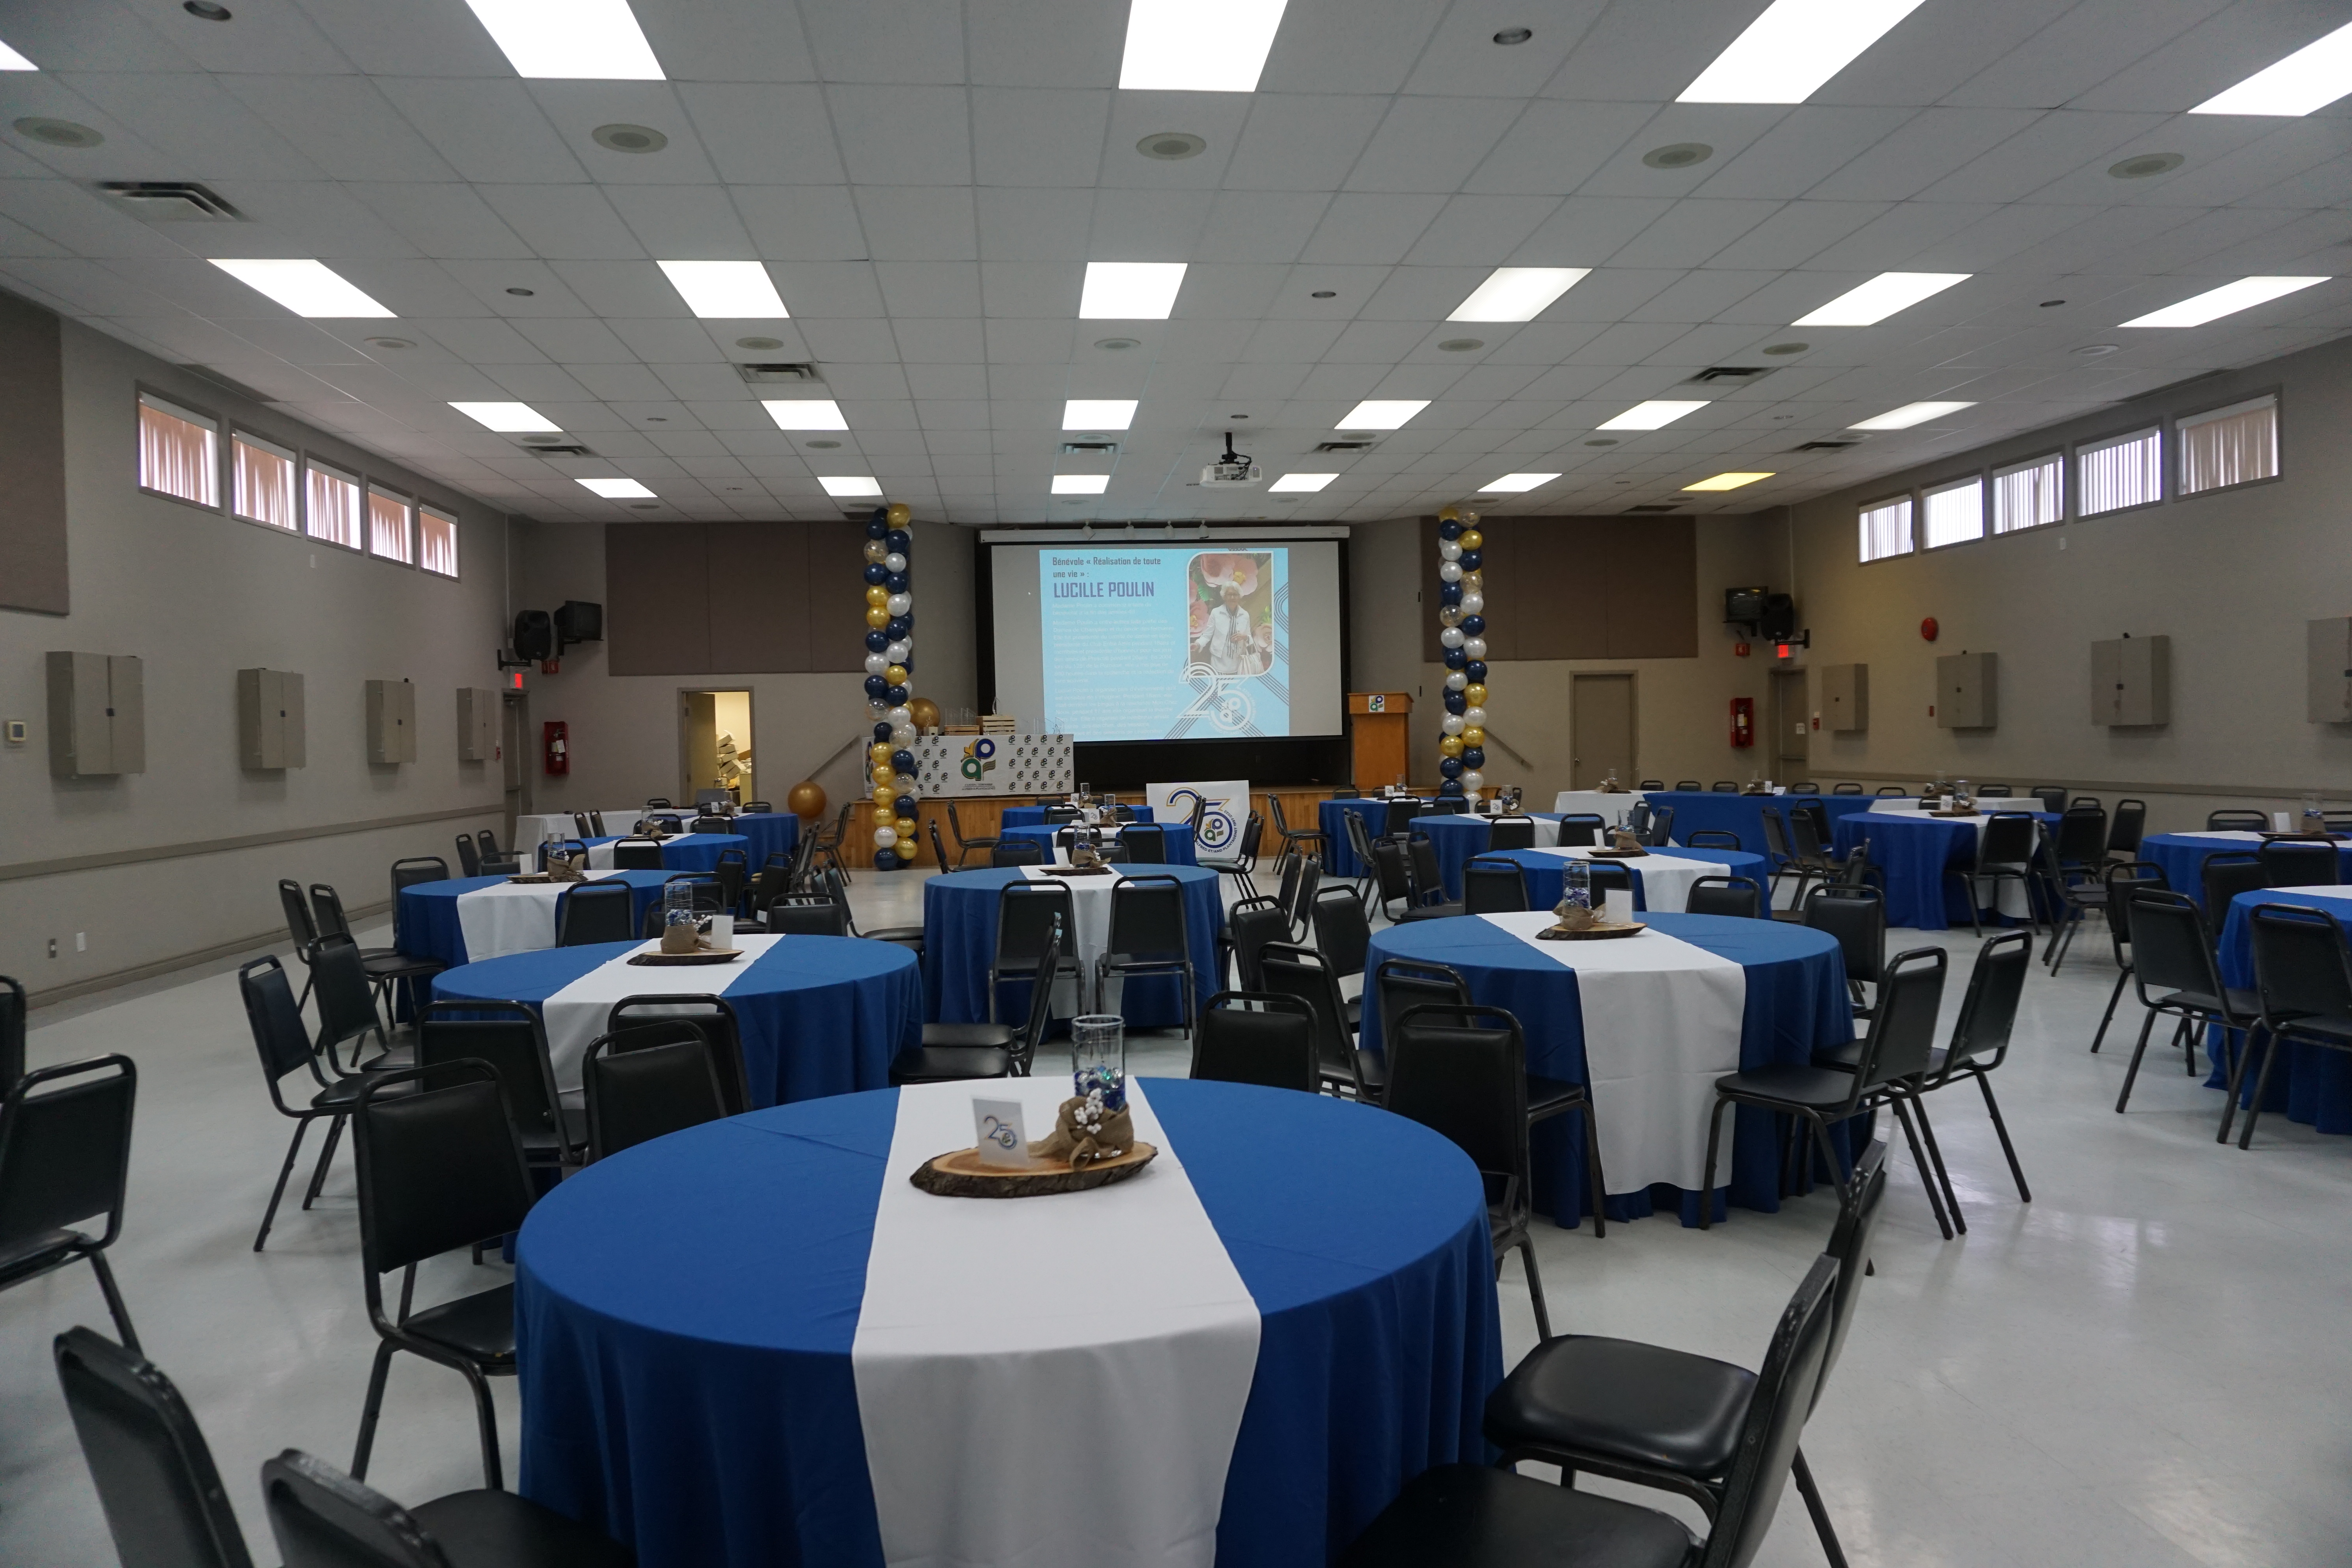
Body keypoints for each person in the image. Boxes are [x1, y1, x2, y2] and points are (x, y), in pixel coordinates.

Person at [1194, 581, 1254, 676]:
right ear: (1224, 597)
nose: (1233, 598)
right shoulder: (1216, 613)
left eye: (1235, 595)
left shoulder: (1245, 615)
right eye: (1230, 595)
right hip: (1219, 661)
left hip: (1238, 662)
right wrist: (1198, 644)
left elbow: (1250, 638)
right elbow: (1207, 635)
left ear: (1240, 597)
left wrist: (1244, 637)